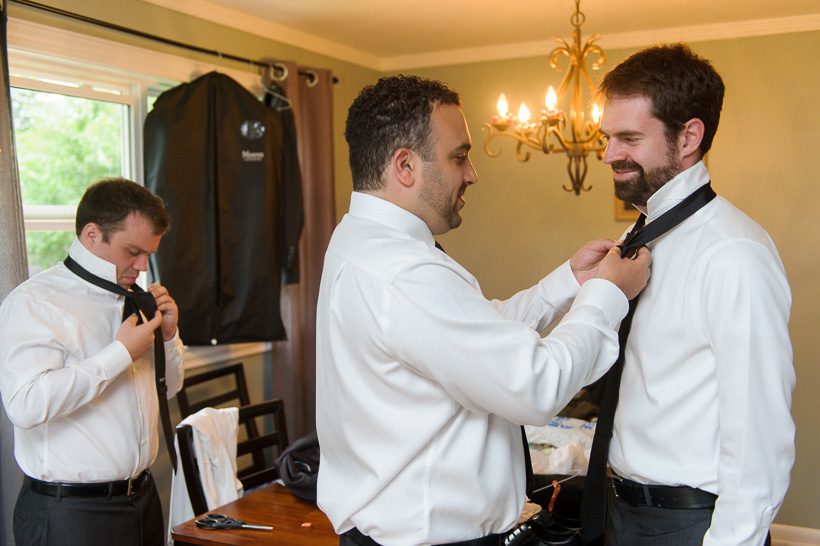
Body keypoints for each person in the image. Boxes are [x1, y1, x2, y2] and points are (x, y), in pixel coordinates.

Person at [315, 74, 651, 546]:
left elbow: (471, 339)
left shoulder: (361, 240)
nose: (472, 174)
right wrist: (607, 294)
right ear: (405, 166)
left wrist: (569, 283)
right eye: (459, 156)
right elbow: (534, 386)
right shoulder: (404, 273)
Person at [591, 43, 794, 545]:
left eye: (629, 138)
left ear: (689, 137)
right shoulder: (640, 238)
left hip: (690, 525)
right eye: (608, 137)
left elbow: (760, 437)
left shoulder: (733, 254)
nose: (609, 154)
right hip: (621, 511)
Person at [0, 178, 184, 546]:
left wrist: (168, 337)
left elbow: (170, 388)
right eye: (132, 251)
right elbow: (25, 405)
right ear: (92, 235)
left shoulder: (134, 299)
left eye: (148, 254)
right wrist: (118, 354)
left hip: (143, 501)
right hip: (71, 514)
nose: (142, 266)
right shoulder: (35, 303)